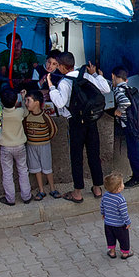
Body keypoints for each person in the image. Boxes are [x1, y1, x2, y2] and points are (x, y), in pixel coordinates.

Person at [49, 52, 110, 202]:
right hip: (91, 121)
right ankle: (97, 188)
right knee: (94, 154)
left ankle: (77, 192)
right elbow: (106, 89)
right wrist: (95, 74)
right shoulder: (86, 76)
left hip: (76, 123)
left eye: (58, 65)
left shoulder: (64, 83)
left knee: (76, 157)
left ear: (63, 67)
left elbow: (60, 103)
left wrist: (51, 86)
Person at [109, 67, 139, 186]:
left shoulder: (119, 90)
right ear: (126, 79)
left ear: (113, 76)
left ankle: (137, 177)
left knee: (134, 153)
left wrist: (118, 111)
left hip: (130, 126)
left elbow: (125, 102)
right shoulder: (129, 88)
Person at [0, 89, 29, 206]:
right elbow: (26, 111)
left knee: (7, 173)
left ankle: (10, 199)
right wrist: (24, 99)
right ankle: (26, 196)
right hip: (20, 146)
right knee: (23, 170)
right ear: (16, 101)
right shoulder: (19, 112)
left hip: (5, 147)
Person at [22, 92, 56, 201]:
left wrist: (45, 139)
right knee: (36, 168)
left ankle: (52, 188)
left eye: (28, 101)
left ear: (37, 103)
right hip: (32, 146)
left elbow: (53, 130)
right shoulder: (27, 117)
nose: (26, 103)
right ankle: (41, 190)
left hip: (44, 146)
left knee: (47, 168)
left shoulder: (45, 117)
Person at [101, 172, 132, 259]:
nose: (123, 184)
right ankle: (125, 253)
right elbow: (124, 213)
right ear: (118, 188)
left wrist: (103, 213)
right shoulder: (120, 199)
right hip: (119, 224)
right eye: (122, 183)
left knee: (110, 238)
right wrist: (128, 222)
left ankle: (112, 252)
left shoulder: (105, 196)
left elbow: (102, 206)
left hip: (108, 223)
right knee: (123, 239)